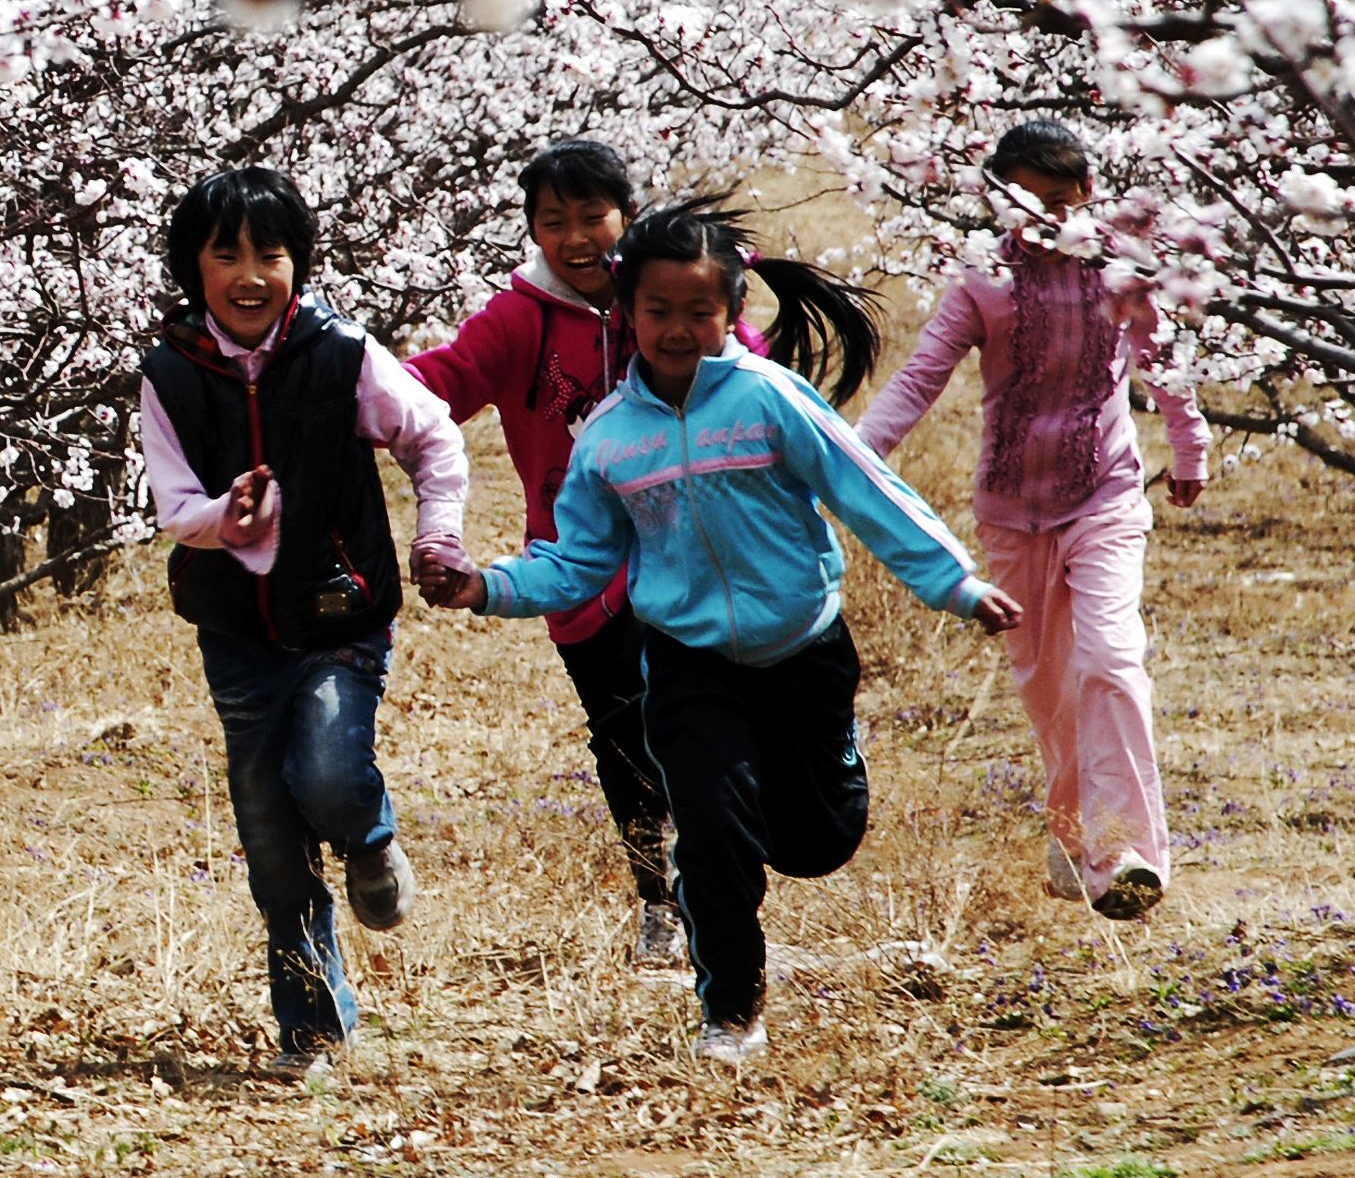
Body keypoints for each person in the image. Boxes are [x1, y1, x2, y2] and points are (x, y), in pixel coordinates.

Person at [420, 202, 1020, 1067]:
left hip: (803, 651)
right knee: (709, 830)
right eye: (657, 310)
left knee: (817, 840)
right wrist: (487, 586)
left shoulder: (769, 399)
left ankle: (808, 787)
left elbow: (867, 491)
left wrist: (956, 584)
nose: (677, 329)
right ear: (627, 313)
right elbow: (576, 561)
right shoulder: (609, 439)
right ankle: (730, 1011)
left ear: (732, 309)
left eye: (698, 310)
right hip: (687, 660)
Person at [138, 165, 471, 1066]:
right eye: (226, 255)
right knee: (272, 843)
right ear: (192, 267)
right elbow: (175, 505)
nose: (250, 275)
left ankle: (368, 834)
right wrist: (225, 517)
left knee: (327, 769)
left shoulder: (342, 354)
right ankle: (313, 1028)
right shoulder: (170, 372)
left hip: (338, 613)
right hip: (236, 631)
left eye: (271, 254)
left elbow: (434, 437)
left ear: (300, 263)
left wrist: (437, 535)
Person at [856, 119, 1211, 923]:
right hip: (1012, 515)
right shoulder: (982, 280)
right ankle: (1075, 831)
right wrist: (851, 459)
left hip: (1105, 497)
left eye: (1058, 200)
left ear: (1088, 193)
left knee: (1111, 658)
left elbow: (1165, 367)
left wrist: (1189, 449)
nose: (1043, 217)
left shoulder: (1123, 275)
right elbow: (919, 377)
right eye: (1022, 202)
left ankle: (1126, 854)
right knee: (1051, 689)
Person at [405, 138, 686, 967]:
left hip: (687, 551)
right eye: (553, 221)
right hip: (575, 565)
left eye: (592, 216)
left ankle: (712, 878)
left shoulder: (664, 294)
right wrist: (333, 383)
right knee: (621, 735)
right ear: (532, 231)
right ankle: (659, 901)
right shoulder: (518, 318)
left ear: (627, 216)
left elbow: (742, 362)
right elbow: (442, 381)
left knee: (691, 716)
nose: (575, 238)